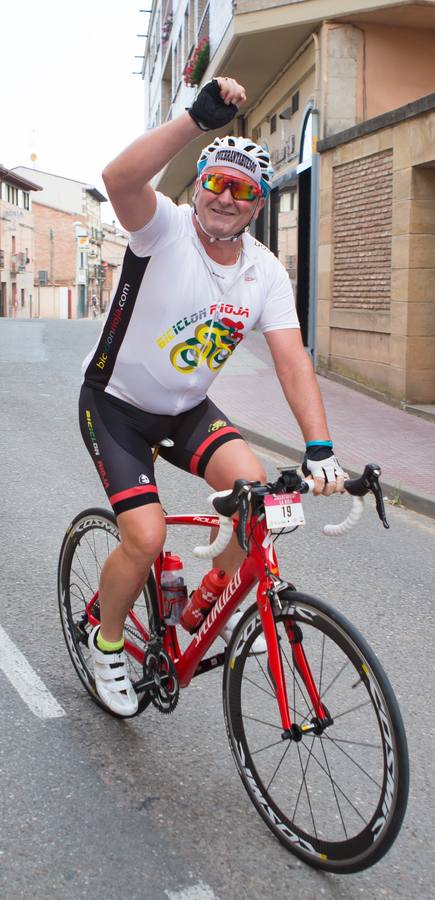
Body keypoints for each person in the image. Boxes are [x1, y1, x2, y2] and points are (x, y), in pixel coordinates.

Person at [79, 76, 345, 716]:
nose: (226, 198)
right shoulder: (161, 230)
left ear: (259, 205)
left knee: (262, 500)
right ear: (198, 184)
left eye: (243, 190)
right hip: (115, 406)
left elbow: (291, 361)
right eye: (216, 182)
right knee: (144, 537)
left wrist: (321, 449)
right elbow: (118, 178)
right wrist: (193, 121)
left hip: (187, 412)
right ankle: (106, 640)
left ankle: (212, 606)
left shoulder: (264, 272)